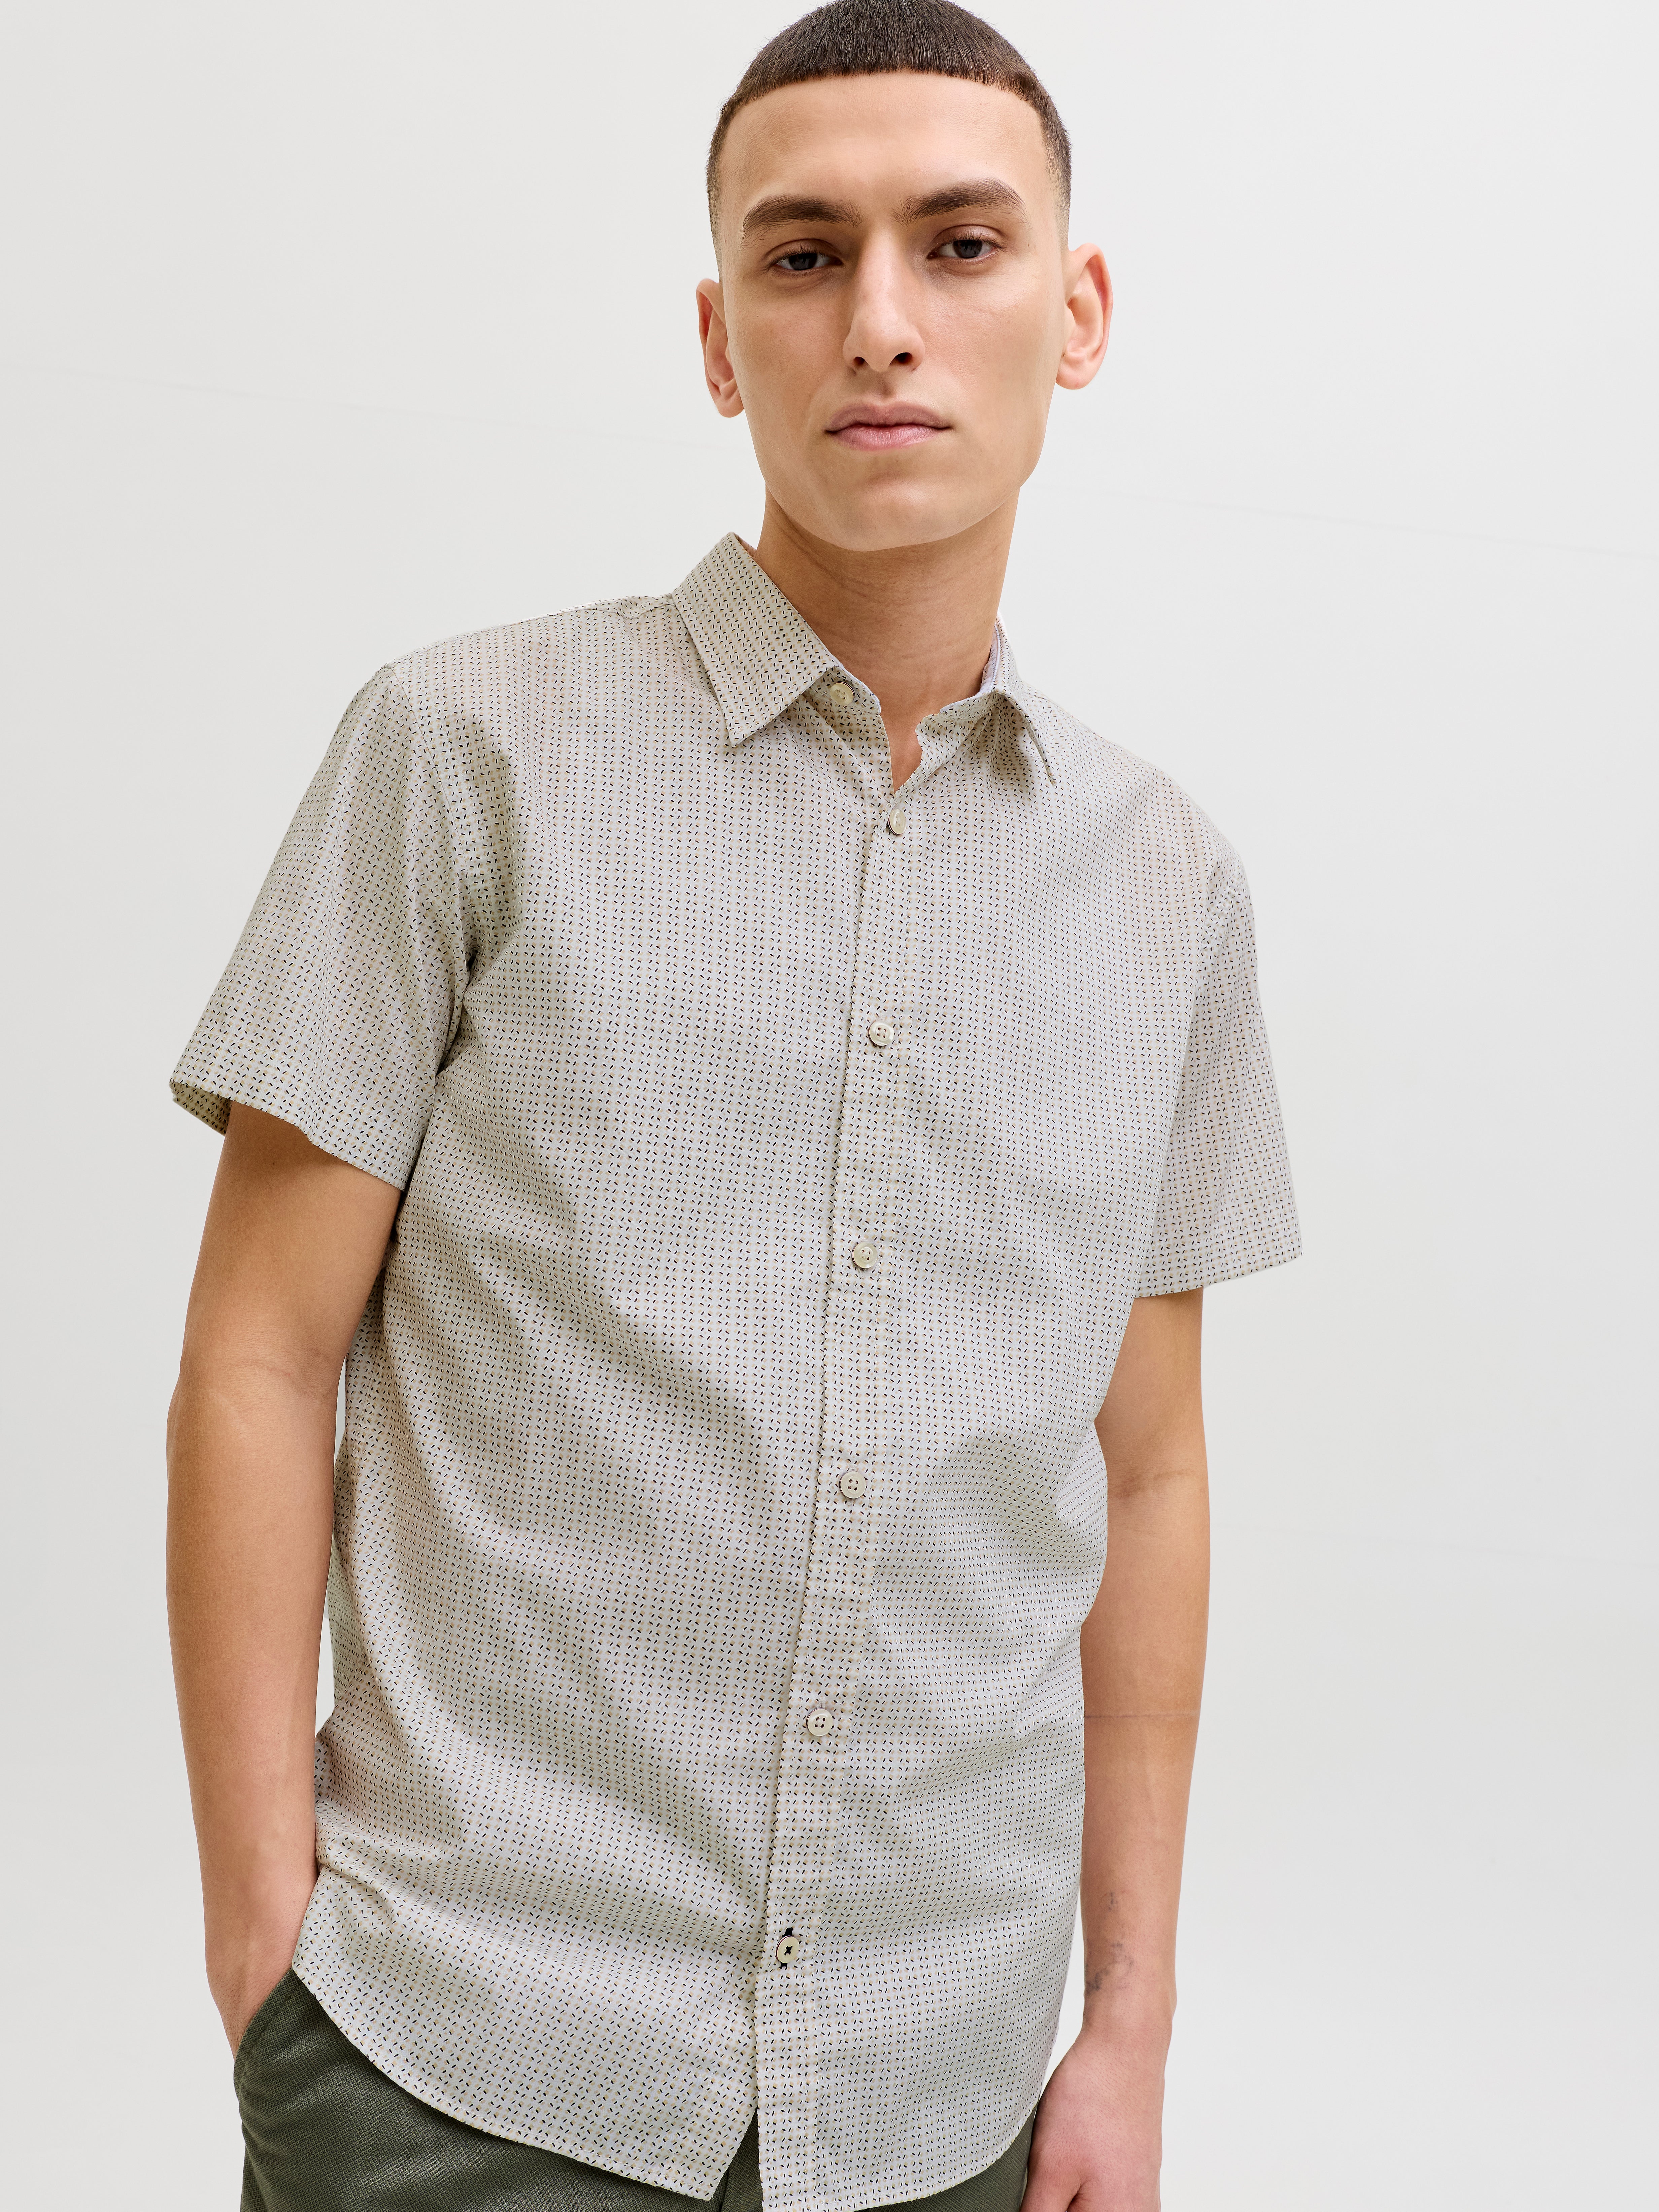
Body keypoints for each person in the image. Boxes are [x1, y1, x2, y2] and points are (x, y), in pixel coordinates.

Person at [166, 4, 1299, 2209]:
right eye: (803, 255)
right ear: (718, 339)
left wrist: (1127, 2027)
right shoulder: (461, 753)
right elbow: (258, 1357)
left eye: (960, 244)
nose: (881, 320)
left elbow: (1147, 1472)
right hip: (462, 2060)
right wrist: (262, 1950)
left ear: (1075, 314)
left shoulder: (1168, 887)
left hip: (939, 2099)